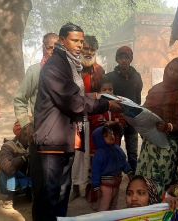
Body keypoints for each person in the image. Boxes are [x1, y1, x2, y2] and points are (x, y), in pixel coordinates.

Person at [32, 22, 121, 220]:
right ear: (62, 41)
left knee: (63, 191)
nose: (80, 45)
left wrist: (99, 97)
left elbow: (78, 96)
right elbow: (73, 102)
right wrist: (105, 105)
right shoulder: (55, 66)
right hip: (52, 140)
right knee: (49, 194)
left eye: (81, 41)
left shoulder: (72, 65)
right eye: (75, 41)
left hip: (68, 137)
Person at [136, 57, 178, 196]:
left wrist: (169, 127)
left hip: (169, 145)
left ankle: (160, 209)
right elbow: (145, 110)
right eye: (170, 68)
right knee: (143, 176)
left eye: (177, 71)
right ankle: (143, 207)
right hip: (150, 143)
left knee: (162, 179)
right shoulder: (155, 90)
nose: (171, 73)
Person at [71, 35, 106, 200]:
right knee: (78, 151)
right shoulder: (73, 68)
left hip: (96, 119)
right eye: (86, 48)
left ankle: (91, 187)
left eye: (92, 50)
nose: (89, 52)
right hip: (79, 119)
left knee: (94, 153)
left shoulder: (99, 70)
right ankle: (76, 186)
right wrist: (92, 96)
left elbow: (103, 95)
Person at [105, 46, 143, 171]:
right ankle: (115, 174)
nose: (124, 60)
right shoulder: (109, 77)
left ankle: (133, 174)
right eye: (121, 58)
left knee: (132, 150)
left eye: (127, 58)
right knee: (114, 146)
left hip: (132, 118)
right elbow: (105, 98)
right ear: (117, 59)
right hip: (116, 119)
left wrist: (137, 115)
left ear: (131, 59)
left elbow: (138, 98)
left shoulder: (137, 76)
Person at [13, 32, 58, 130]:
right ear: (43, 48)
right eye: (50, 47)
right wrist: (26, 124)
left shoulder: (66, 71)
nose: (53, 51)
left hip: (61, 129)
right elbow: (20, 100)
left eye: (57, 48)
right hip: (40, 127)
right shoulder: (34, 71)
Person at [90, 126, 132, 211]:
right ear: (99, 139)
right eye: (106, 135)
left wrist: (129, 172)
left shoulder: (118, 149)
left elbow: (123, 162)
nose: (111, 136)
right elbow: (95, 172)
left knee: (114, 206)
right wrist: (96, 187)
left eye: (111, 133)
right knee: (104, 206)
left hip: (116, 184)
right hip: (105, 186)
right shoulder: (100, 153)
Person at [0, 121, 31, 209]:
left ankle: (30, 193)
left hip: (28, 179)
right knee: (8, 171)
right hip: (14, 179)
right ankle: (10, 196)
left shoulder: (34, 145)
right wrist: (23, 157)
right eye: (26, 134)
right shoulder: (8, 146)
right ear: (19, 134)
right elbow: (7, 168)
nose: (29, 136)